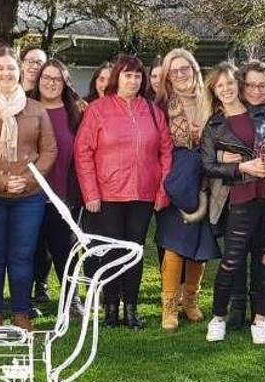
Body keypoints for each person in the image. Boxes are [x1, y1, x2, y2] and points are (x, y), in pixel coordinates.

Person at [201, 61, 265, 345]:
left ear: (237, 85)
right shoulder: (215, 124)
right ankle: (218, 317)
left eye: (230, 84)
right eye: (220, 86)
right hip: (242, 196)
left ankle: (260, 320)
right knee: (231, 260)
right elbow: (207, 164)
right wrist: (242, 168)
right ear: (215, 91)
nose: (227, 90)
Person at [75, 54, 173, 329]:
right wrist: (90, 193)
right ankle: (110, 310)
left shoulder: (153, 111)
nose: (133, 80)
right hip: (107, 196)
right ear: (117, 78)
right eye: (127, 75)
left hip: (142, 194)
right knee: (109, 253)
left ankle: (131, 309)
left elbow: (166, 152)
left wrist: (162, 190)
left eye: (137, 76)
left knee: (134, 252)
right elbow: (83, 152)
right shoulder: (98, 110)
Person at [0, 46, 58, 331]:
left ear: (19, 71)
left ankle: (20, 312)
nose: (7, 73)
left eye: (11, 68)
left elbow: (49, 150)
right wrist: (0, 180)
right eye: (0, 68)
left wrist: (29, 181)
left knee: (22, 255)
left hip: (29, 197)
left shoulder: (36, 109)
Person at [153, 48, 220, 332]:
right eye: (175, 70)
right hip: (176, 177)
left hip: (208, 177)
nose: (181, 74)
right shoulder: (160, 105)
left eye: (186, 69)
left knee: (200, 245)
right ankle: (169, 306)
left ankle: (190, 300)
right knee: (173, 243)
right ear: (168, 76)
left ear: (194, 69)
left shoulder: (211, 101)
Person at [29, 59, 87, 317]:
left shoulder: (77, 111)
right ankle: (25, 301)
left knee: (67, 251)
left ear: (65, 83)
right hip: (30, 195)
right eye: (46, 78)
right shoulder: (26, 108)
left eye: (57, 79)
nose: (51, 83)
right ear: (38, 81)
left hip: (65, 195)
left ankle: (71, 301)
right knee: (29, 250)